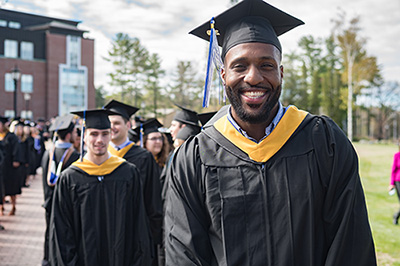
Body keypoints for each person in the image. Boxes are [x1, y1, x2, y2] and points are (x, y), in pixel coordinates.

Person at [164, 0, 376, 265]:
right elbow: (184, 254)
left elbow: (350, 243)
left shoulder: (325, 143)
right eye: (239, 66)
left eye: (266, 65)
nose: (253, 77)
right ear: (223, 74)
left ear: (281, 72)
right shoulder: (193, 159)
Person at [49, 109, 152, 265]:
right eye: (94, 134)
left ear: (111, 135)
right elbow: (62, 231)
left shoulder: (128, 173)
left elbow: (139, 225)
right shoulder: (70, 178)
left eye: (105, 134)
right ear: (84, 136)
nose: (100, 140)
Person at [104, 100, 163, 265]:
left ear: (128, 125)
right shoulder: (99, 159)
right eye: (109, 123)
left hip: (136, 232)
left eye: (117, 123)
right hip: (106, 232)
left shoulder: (143, 157)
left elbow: (153, 200)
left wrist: (152, 237)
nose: (112, 127)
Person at [41, 114, 80, 266]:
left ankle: (47, 260)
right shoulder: (75, 156)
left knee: (49, 233)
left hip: (48, 201)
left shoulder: (48, 153)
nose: (77, 136)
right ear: (69, 135)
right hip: (64, 204)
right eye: (76, 133)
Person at [389, 143, 400, 225]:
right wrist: (391, 183)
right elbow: (393, 170)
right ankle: (396, 217)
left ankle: (396, 216)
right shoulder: (397, 155)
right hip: (398, 181)